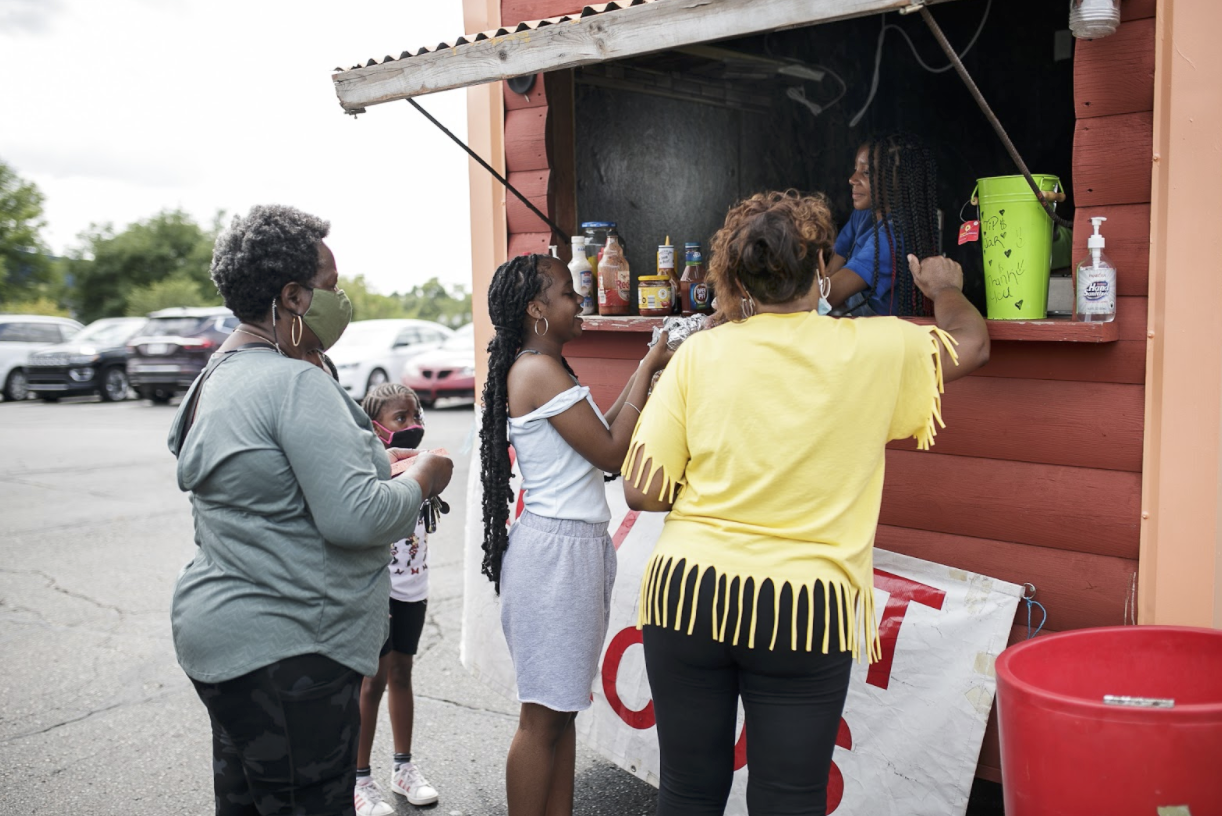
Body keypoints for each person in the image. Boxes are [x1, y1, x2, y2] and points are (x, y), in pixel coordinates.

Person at [622, 190, 989, 816]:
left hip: (686, 592)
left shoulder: (699, 356)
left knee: (687, 792)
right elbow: (970, 343)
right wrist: (944, 288)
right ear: (822, 267)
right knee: (788, 799)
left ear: (735, 278)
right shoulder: (872, 348)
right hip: (804, 607)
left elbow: (643, 489)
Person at [169, 204, 454, 816]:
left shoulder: (219, 374)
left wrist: (312, 362)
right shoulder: (294, 384)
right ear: (292, 296)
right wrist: (424, 479)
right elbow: (360, 517)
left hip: (223, 643)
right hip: (289, 652)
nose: (340, 300)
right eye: (329, 287)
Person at [478, 253, 671, 816]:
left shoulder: (548, 367)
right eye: (568, 292)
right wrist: (651, 365)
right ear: (537, 310)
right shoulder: (536, 369)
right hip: (555, 557)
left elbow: (603, 442)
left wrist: (647, 370)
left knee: (561, 712)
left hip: (570, 550)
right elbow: (613, 451)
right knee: (543, 718)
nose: (579, 299)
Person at [352, 383, 439, 816]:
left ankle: (402, 769)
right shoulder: (372, 469)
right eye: (398, 419)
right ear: (375, 428)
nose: (410, 425)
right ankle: (359, 780)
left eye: (414, 415)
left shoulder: (423, 464)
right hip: (379, 587)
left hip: (413, 587)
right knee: (372, 682)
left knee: (402, 672)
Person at [825, 131, 942, 317]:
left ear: (896, 180)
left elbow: (829, 295)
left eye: (866, 172)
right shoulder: (862, 215)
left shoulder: (893, 237)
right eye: (855, 169)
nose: (852, 179)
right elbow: (831, 272)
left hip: (886, 335)